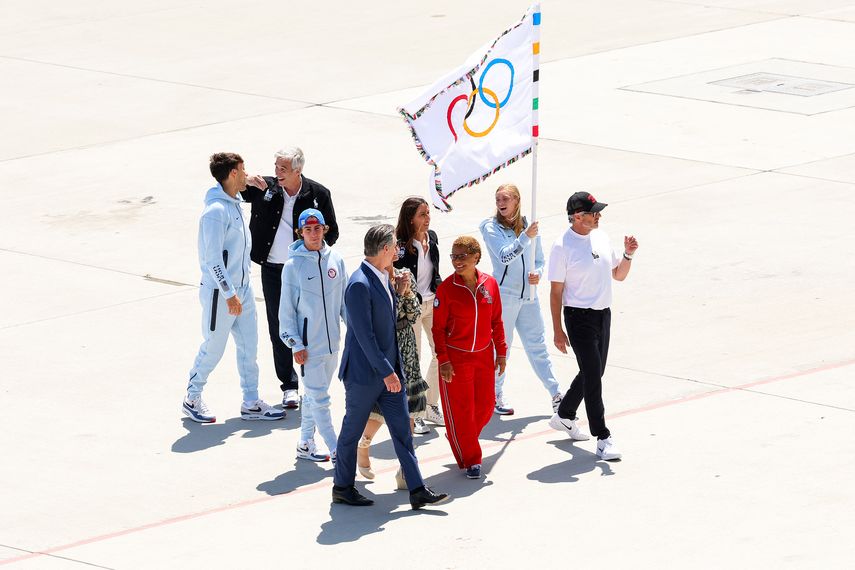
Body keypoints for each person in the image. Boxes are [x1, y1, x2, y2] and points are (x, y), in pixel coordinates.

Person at [332, 225, 448, 510]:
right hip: (365, 375)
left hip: (389, 373)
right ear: (384, 250)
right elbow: (364, 335)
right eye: (395, 245)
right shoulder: (359, 284)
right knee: (352, 430)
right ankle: (342, 486)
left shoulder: (384, 277)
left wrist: (399, 291)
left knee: (402, 432)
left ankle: (417, 489)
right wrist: (387, 372)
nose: (398, 250)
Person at [183, 153, 285, 424]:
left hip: (243, 289)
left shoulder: (232, 202)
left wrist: (247, 179)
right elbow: (213, 259)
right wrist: (229, 295)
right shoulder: (216, 212)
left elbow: (239, 183)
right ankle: (192, 397)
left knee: (249, 347)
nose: (246, 174)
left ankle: (251, 401)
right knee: (213, 348)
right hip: (221, 293)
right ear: (231, 175)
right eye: (242, 171)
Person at [241, 147, 339, 410]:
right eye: (276, 167)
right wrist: (248, 179)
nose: (276, 173)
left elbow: (332, 233)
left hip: (304, 269)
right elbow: (233, 185)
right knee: (279, 325)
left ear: (298, 171)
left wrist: (314, 256)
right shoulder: (266, 187)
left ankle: (314, 382)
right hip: (273, 269)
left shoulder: (318, 194)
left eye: (282, 169)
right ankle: (289, 385)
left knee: (310, 322)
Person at [547, 191, 639, 461]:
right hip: (578, 318)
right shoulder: (562, 246)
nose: (598, 216)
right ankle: (603, 437)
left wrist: (628, 255)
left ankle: (564, 414)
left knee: (594, 371)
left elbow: (618, 274)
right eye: (593, 212)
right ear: (577, 217)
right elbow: (555, 292)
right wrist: (557, 330)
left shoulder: (601, 236)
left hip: (603, 315)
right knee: (593, 378)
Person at [479, 183, 562, 415]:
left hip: (529, 297)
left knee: (537, 346)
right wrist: (525, 237)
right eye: (498, 199)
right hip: (504, 297)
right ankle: (494, 395)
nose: (501, 203)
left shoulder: (528, 225)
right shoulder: (490, 227)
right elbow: (505, 256)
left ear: (516, 200)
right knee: (501, 349)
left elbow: (539, 259)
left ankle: (556, 393)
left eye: (505, 199)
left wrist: (537, 273)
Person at [432, 236, 507, 479]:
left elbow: (496, 321)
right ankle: (472, 459)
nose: (456, 261)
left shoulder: (491, 284)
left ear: (476, 257)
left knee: (485, 407)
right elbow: (438, 329)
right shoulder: (446, 289)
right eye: (453, 256)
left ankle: (458, 435)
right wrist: (443, 360)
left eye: (462, 256)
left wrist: (502, 351)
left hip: (484, 356)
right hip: (456, 359)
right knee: (463, 411)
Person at [279, 209, 347, 463]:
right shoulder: (292, 267)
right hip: (309, 348)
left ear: (324, 229)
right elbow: (285, 311)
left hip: (333, 346)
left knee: (313, 396)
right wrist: (295, 343)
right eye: (308, 230)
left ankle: (305, 442)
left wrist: (356, 334)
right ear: (300, 233)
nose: (314, 235)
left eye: (317, 229)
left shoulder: (336, 260)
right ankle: (337, 449)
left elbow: (345, 304)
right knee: (320, 400)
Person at [356, 264, 429, 488]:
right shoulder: (372, 280)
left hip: (407, 349)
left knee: (408, 412)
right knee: (381, 408)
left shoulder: (404, 273)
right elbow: (384, 319)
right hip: (386, 350)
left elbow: (414, 312)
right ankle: (363, 445)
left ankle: (406, 470)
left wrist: (406, 290)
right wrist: (397, 294)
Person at [394, 197, 444, 434]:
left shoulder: (431, 237)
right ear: (410, 218)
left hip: (432, 304)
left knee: (441, 353)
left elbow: (435, 271)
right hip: (411, 308)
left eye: (428, 214)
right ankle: (415, 411)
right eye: (422, 215)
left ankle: (430, 404)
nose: (427, 219)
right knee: (413, 361)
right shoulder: (400, 245)